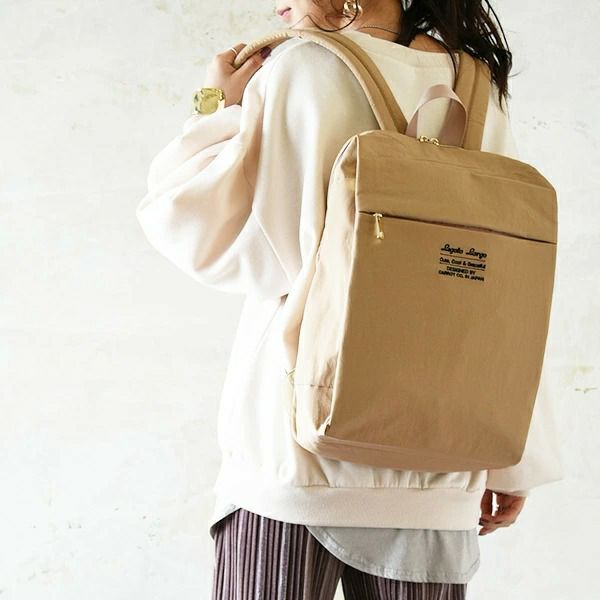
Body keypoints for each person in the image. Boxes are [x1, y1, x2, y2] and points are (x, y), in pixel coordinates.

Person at [136, 0, 564, 598]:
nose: (278, 4)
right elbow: (507, 288)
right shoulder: (476, 87)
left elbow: (202, 232)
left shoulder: (301, 68)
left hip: (295, 455)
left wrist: (217, 106)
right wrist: (513, 459)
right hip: (439, 465)